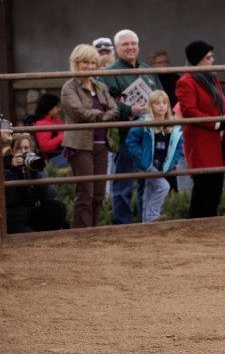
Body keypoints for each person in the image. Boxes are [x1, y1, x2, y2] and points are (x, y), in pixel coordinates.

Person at [100, 29, 162, 224]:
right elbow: (106, 103)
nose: (130, 47)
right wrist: (129, 109)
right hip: (126, 135)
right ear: (117, 48)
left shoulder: (147, 69)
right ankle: (123, 223)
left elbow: (161, 95)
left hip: (150, 134)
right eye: (125, 44)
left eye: (133, 43)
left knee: (148, 181)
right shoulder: (109, 74)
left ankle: (147, 220)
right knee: (123, 183)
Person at [60, 44, 121, 228]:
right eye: (85, 62)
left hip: (102, 144)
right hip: (80, 145)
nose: (90, 67)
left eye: (93, 63)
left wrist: (97, 114)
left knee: (99, 193)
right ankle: (81, 233)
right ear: (76, 63)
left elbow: (115, 109)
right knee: (85, 192)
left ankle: (93, 231)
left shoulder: (100, 85)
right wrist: (102, 115)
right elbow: (79, 112)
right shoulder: (69, 87)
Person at [175, 40, 225, 218]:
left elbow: (224, 101)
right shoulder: (186, 81)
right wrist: (215, 122)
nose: (212, 60)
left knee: (216, 183)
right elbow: (189, 110)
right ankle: (196, 222)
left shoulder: (212, 77)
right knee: (203, 184)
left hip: (217, 138)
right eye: (208, 57)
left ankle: (211, 222)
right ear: (198, 60)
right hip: (201, 139)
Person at [124, 90, 183, 221]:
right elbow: (131, 141)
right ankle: (152, 216)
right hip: (147, 163)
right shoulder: (144, 123)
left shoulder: (172, 125)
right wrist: (140, 158)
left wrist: (172, 162)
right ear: (150, 106)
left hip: (162, 164)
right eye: (157, 103)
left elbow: (179, 145)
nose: (162, 106)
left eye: (164, 103)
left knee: (151, 189)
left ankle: (146, 221)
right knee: (163, 186)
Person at [3, 133, 68, 234]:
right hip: (13, 217)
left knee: (58, 208)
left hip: (31, 212)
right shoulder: (5, 166)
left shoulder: (34, 164)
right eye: (19, 148)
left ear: (31, 150)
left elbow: (49, 196)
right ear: (12, 151)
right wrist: (13, 170)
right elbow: (8, 198)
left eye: (26, 148)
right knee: (30, 235)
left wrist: (37, 171)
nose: (23, 152)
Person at [31, 94, 65, 164]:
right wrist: (62, 136)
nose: (59, 109)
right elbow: (46, 147)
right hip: (55, 158)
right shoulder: (41, 124)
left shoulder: (57, 120)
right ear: (49, 109)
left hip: (63, 153)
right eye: (57, 107)